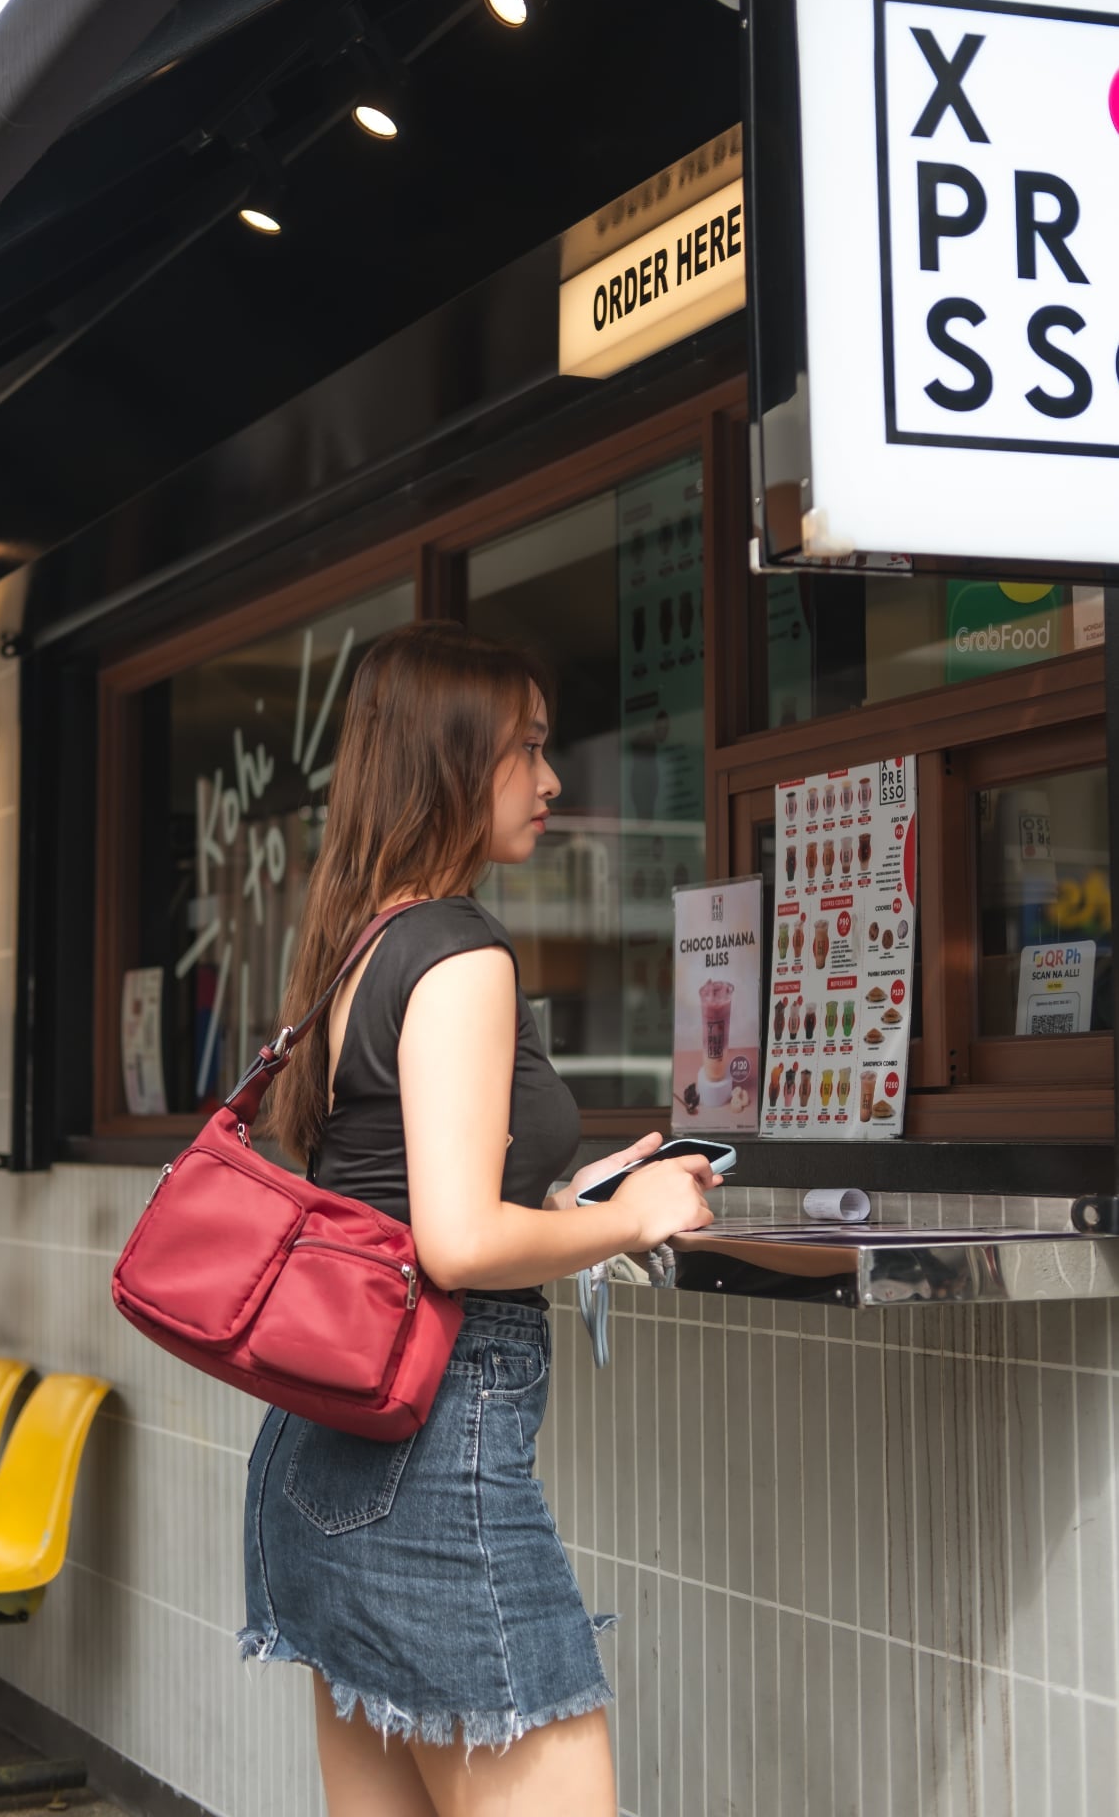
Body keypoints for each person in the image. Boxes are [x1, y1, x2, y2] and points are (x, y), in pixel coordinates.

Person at [239, 621, 720, 1817]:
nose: (554, 781)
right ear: (456, 760)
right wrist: (634, 1218)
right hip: (429, 1459)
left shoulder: (362, 941)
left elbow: (401, 1199)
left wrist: (566, 1199)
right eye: (530, 750)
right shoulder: (460, 949)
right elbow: (452, 1244)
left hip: (322, 1454)